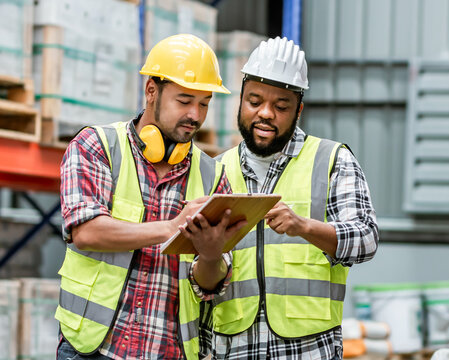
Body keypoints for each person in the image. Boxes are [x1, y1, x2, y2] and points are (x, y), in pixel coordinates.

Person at [56, 34, 245, 360]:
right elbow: (85, 232)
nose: (196, 116)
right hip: (92, 349)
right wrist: (173, 227)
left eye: (204, 103)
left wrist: (212, 255)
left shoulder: (213, 177)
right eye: (184, 101)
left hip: (169, 352)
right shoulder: (97, 147)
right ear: (151, 91)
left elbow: (211, 286)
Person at [210, 37, 379, 359]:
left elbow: (366, 240)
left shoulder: (331, 160)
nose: (265, 114)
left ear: (298, 110)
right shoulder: (216, 170)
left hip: (308, 349)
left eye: (281, 106)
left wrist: (304, 227)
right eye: (254, 101)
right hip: (233, 347)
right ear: (241, 100)